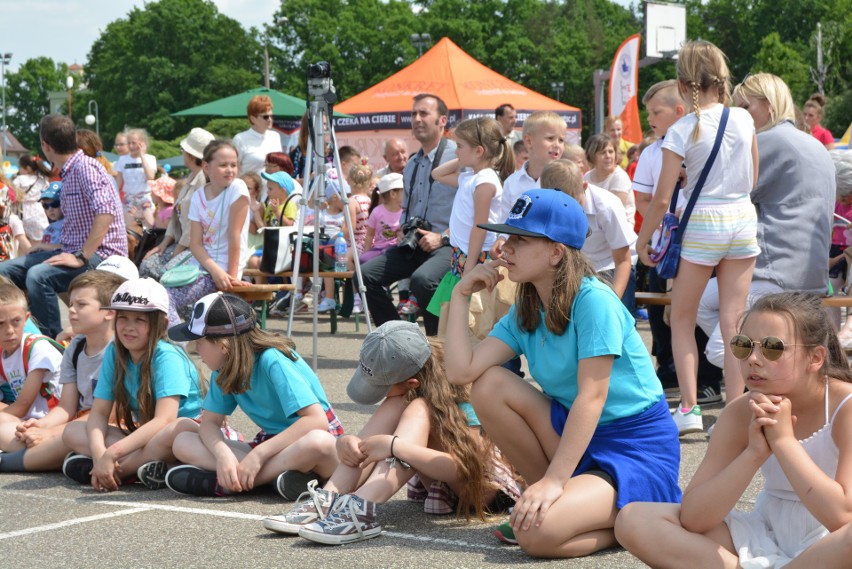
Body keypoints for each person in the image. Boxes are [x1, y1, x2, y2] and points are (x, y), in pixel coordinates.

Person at [443, 190, 681, 557]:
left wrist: (556, 479)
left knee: (535, 537)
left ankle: (627, 520)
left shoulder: (594, 301)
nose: (505, 248)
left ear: (556, 252)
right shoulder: (527, 305)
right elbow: (461, 371)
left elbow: (593, 397)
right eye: (506, 238)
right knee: (489, 385)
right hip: (576, 433)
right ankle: (554, 499)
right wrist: (459, 294)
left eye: (520, 240)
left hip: (634, 448)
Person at [616, 292, 852, 569]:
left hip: (830, 542)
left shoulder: (844, 407)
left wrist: (784, 442)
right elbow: (693, 517)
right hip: (766, 531)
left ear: (815, 358)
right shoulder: (742, 409)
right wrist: (753, 454)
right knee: (634, 519)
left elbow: (841, 516)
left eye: (772, 348)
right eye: (743, 345)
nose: (753, 359)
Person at [263, 321, 521, 544]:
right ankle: (330, 497)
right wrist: (348, 443)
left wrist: (395, 446)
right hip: (442, 482)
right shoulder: (406, 392)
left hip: (485, 491)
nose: (377, 395)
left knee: (415, 407)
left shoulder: (463, 391)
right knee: (398, 404)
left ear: (413, 382)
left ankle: (363, 508)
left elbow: (466, 468)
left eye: (381, 387)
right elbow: (369, 445)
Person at [637, 40, 759, 435]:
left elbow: (659, 199)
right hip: (742, 218)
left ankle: (688, 409)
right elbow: (752, 178)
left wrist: (643, 241)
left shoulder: (683, 128)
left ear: (682, 81)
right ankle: (737, 408)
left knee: (683, 318)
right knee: (734, 320)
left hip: (703, 220)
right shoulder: (743, 119)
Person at [697, 74, 835, 369]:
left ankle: (774, 372)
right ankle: (774, 370)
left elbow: (724, 192)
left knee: (721, 350)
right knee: (703, 305)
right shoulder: (814, 145)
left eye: (745, 107)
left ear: (769, 105)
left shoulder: (767, 141)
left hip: (774, 271)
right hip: (810, 275)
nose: (739, 115)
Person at [158, 292, 343, 497]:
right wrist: (223, 455)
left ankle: (229, 484)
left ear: (223, 345)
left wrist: (258, 456)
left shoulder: (273, 360)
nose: (196, 350)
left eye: (198, 343)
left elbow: (316, 421)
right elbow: (209, 423)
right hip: (273, 447)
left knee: (316, 442)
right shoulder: (223, 369)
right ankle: (277, 479)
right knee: (183, 441)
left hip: (316, 445)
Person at [61, 278, 204, 491]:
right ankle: (145, 467)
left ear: (162, 324)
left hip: (186, 434)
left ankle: (119, 472)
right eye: (123, 318)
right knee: (72, 430)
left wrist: (113, 454)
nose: (129, 327)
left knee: (175, 431)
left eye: (140, 320)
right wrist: (100, 453)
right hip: (147, 435)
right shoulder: (114, 352)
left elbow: (165, 419)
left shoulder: (167, 356)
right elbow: (99, 413)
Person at [0, 114, 127, 339]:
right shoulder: (70, 170)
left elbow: (105, 213)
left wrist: (82, 255)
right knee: (5, 271)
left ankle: (52, 343)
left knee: (38, 276)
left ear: (45, 146)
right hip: (73, 250)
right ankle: (20, 333)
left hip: (102, 255)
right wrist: (46, 247)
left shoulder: (86, 168)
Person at [0, 270, 125, 472]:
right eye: (72, 304)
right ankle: (68, 456)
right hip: (79, 424)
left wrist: (51, 433)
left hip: (111, 427)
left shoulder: (121, 350)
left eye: (81, 305)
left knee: (70, 435)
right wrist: (41, 426)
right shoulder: (75, 347)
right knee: (5, 430)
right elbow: (66, 407)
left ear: (109, 312)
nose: (72, 310)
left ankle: (13, 462)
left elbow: (110, 413)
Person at [358, 93, 457, 336]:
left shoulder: (457, 156)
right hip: (415, 244)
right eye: (414, 114)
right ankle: (401, 338)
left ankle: (437, 347)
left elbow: (473, 210)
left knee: (422, 281)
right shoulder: (412, 163)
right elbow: (408, 208)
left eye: (424, 113)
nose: (417, 118)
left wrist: (443, 237)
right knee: (364, 275)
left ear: (442, 120)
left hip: (448, 244)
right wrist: (404, 227)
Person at [427, 117, 513, 317]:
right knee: (456, 313)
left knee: (474, 315)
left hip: (476, 256)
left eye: (459, 146)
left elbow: (480, 227)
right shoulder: (471, 177)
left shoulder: (485, 181)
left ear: (479, 150)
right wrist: (466, 157)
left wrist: (469, 269)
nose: (456, 151)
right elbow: (437, 174)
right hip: (464, 254)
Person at [165, 140, 250, 325]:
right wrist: (214, 270)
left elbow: (235, 236)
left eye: (233, 165)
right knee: (158, 293)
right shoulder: (198, 196)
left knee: (165, 299)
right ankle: (183, 342)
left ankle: (178, 347)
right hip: (204, 267)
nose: (230, 170)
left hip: (226, 270)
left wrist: (230, 280)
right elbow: (195, 243)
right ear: (206, 167)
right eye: (223, 165)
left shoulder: (238, 188)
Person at [541, 159, 636, 299]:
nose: (569, 212)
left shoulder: (608, 207)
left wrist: (614, 300)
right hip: (574, 266)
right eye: (561, 208)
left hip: (609, 265)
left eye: (576, 203)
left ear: (584, 187)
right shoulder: (543, 203)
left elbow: (623, 260)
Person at [140, 128, 215, 280]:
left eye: (183, 150)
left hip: (195, 247)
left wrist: (177, 250)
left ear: (191, 155)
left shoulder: (202, 180)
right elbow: (176, 215)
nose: (182, 153)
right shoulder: (191, 178)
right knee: (147, 264)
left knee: (164, 275)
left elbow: (194, 223)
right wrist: (163, 244)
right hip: (181, 243)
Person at [491, 111, 567, 258]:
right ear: (529, 141)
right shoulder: (512, 183)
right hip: (520, 258)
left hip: (554, 258)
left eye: (561, 140)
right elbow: (505, 221)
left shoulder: (566, 181)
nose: (557, 145)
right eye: (550, 138)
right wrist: (501, 239)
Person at [0, 283, 64, 451]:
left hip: (53, 421)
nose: (9, 331)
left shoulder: (37, 347)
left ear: (26, 318)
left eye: (16, 321)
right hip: (28, 421)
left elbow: (24, 404)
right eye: (0, 324)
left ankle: (40, 452)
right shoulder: (3, 352)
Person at [583, 133, 635, 227]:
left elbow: (614, 212)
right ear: (592, 155)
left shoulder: (619, 177)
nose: (608, 156)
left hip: (618, 230)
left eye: (611, 151)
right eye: (602, 152)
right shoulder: (587, 177)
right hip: (596, 229)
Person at [232, 95, 283, 182]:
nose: (270, 119)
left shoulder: (275, 136)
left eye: (272, 116)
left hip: (273, 190)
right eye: (265, 117)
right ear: (253, 118)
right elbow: (234, 168)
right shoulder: (240, 139)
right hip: (250, 191)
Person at [114, 128, 157, 228]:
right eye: (129, 143)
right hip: (129, 199)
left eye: (134, 143)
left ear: (142, 143)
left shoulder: (150, 158)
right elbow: (118, 183)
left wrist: (142, 155)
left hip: (144, 198)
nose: (131, 146)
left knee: (150, 225)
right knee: (128, 228)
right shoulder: (123, 159)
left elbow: (150, 177)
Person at [361, 173, 404, 264]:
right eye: (403, 190)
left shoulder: (405, 211)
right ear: (393, 194)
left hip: (397, 248)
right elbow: (369, 234)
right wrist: (366, 252)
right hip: (378, 249)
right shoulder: (377, 212)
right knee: (363, 259)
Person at [11, 155, 50, 243]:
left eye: (20, 167)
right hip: (37, 211)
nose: (19, 169)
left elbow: (12, 193)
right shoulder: (42, 180)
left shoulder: (19, 179)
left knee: (21, 240)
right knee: (39, 240)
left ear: (27, 168)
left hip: (20, 210)